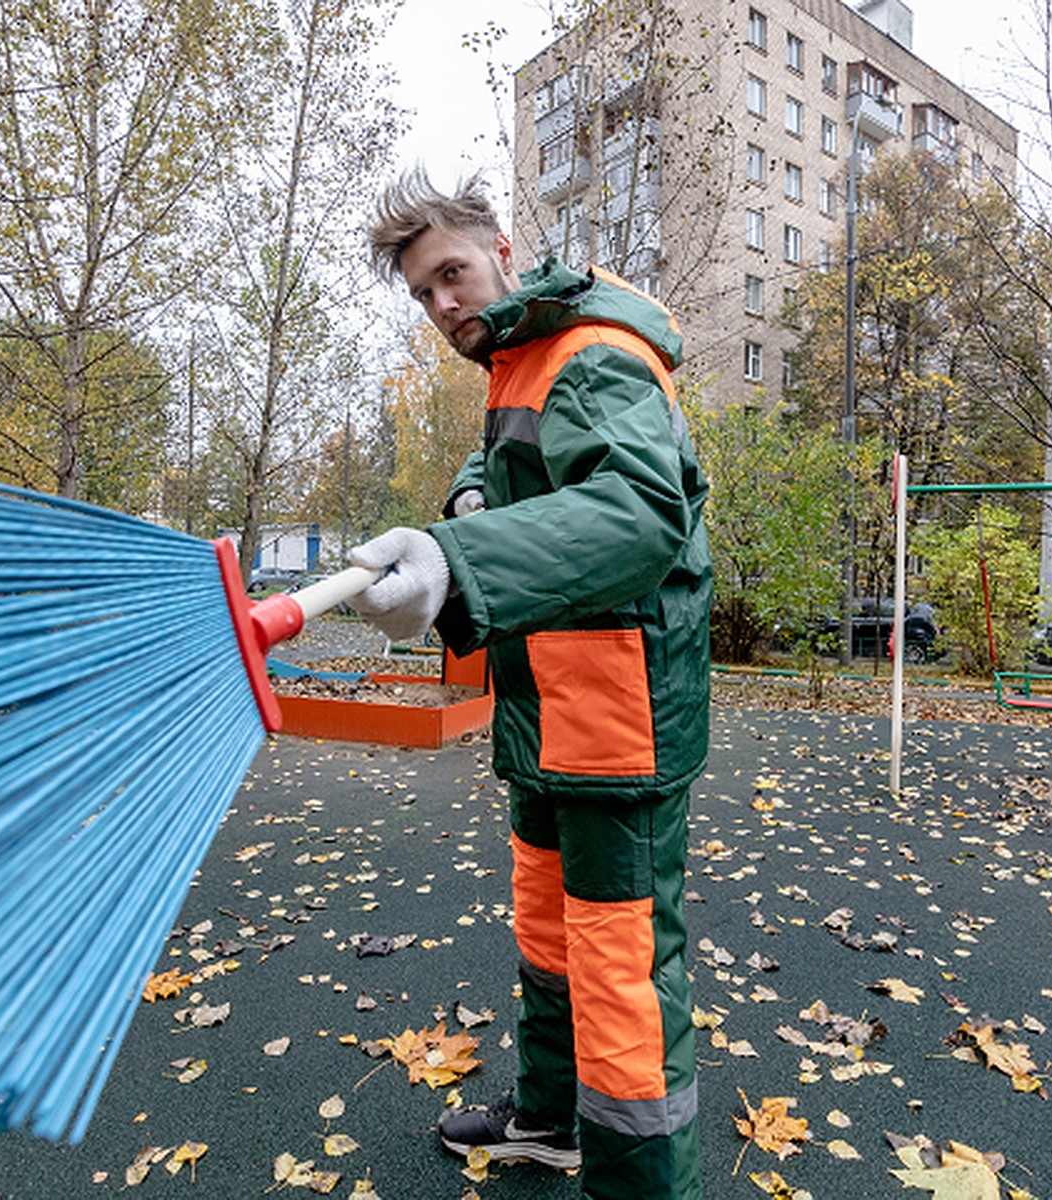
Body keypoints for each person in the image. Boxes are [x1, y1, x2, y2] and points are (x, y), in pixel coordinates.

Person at [352, 169, 712, 1200]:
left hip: (616, 720)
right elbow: (523, 476)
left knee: (621, 974)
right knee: (551, 934)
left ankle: (642, 1189)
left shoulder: (593, 354)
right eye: (422, 294)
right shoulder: (520, 362)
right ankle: (552, 1122)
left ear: (503, 248)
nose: (442, 305)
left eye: (453, 274)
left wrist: (458, 565)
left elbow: (643, 514)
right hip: (548, 711)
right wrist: (468, 497)